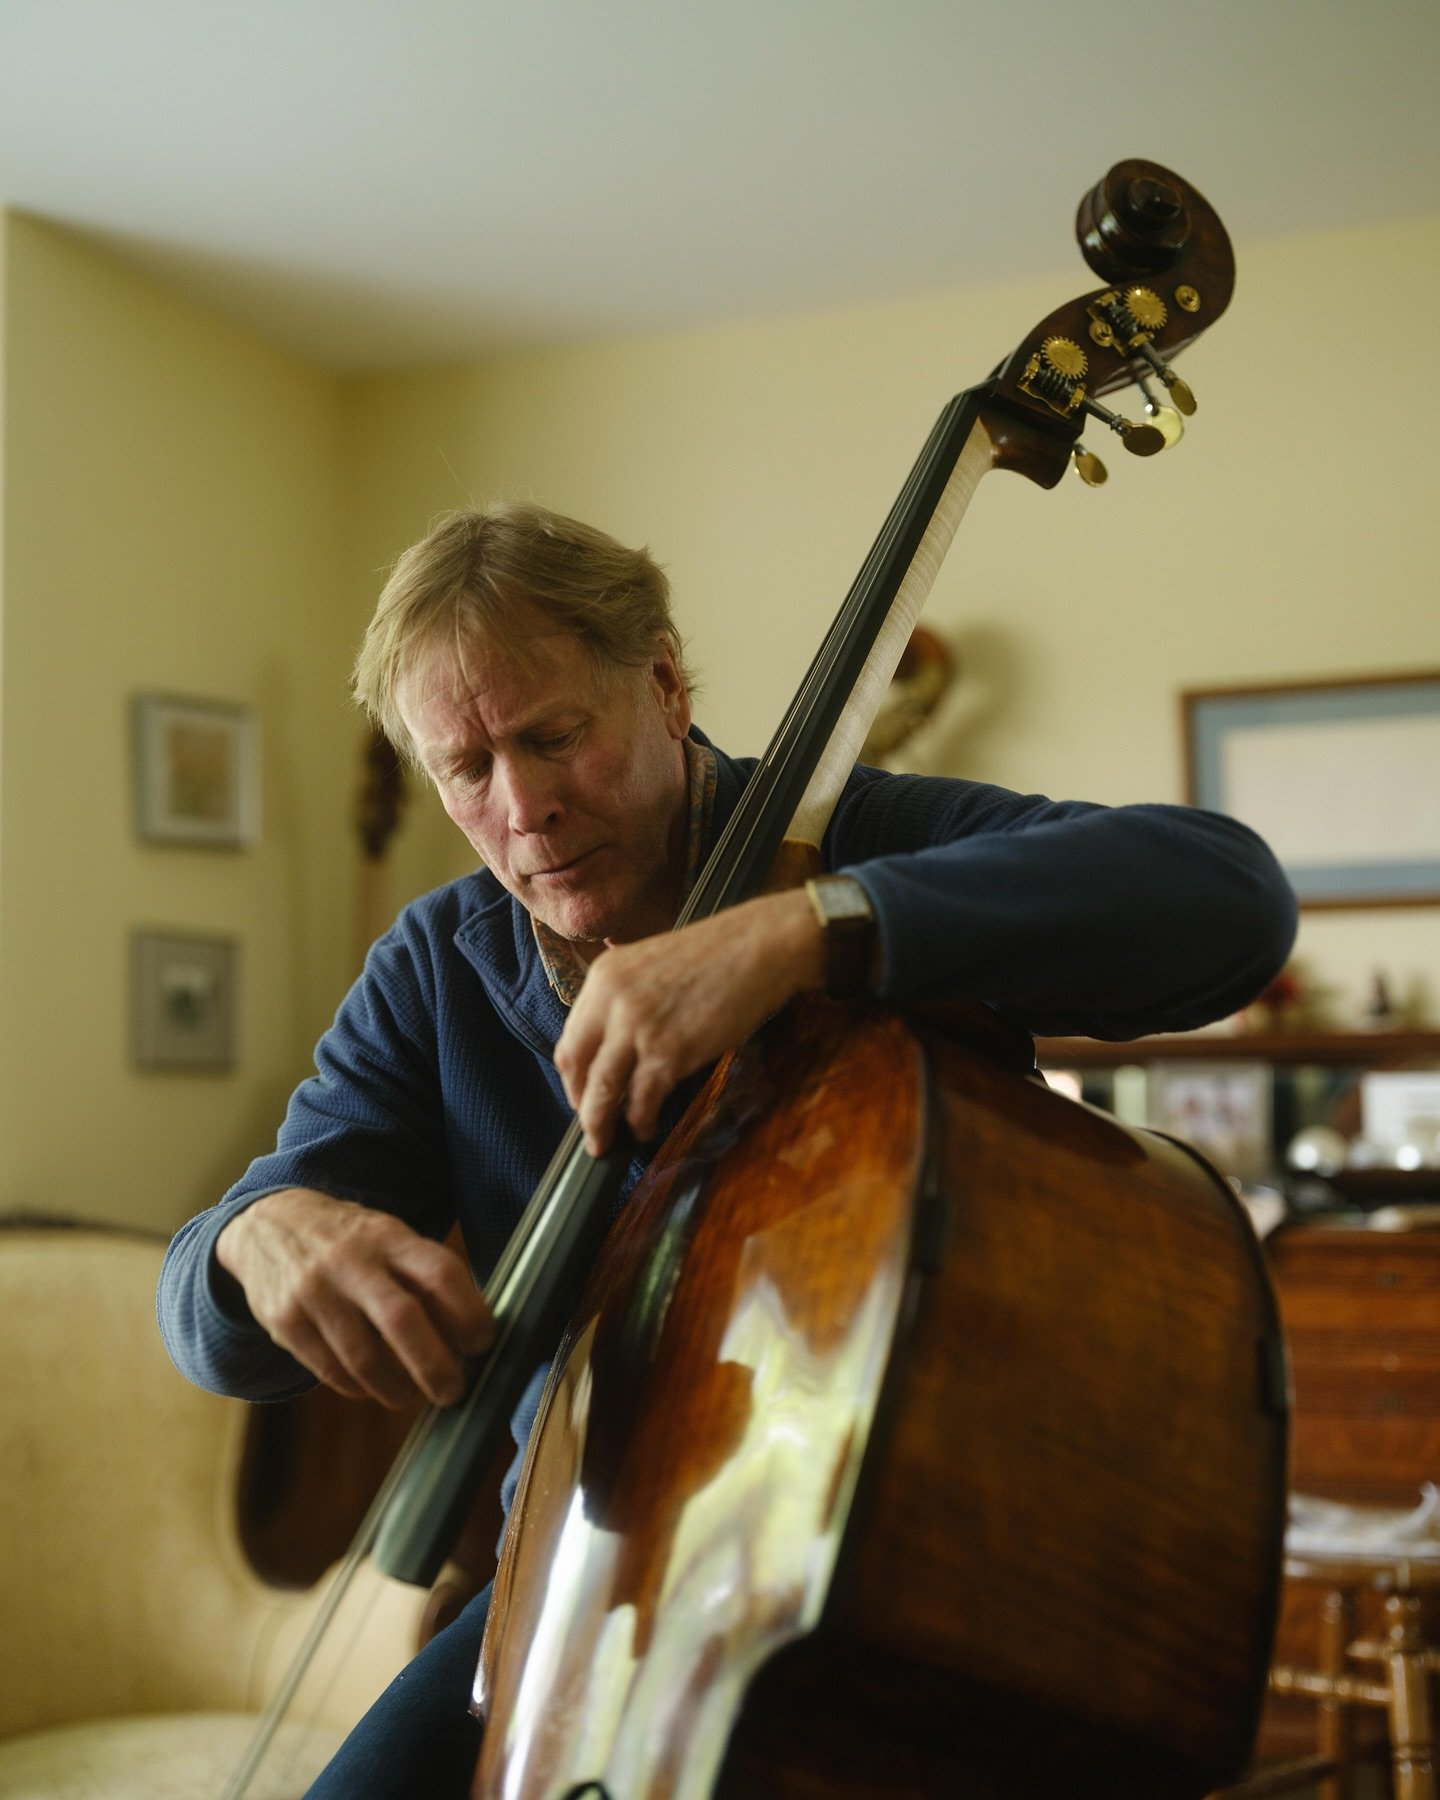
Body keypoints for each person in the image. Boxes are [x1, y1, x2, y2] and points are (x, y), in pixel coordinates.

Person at [158, 501, 1297, 1796]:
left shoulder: (849, 833)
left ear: (659, 683)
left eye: (553, 736)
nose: (521, 807)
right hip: (585, 1572)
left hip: (916, 1548)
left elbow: (1232, 901)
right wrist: (259, 1241)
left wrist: (812, 929)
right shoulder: (436, 970)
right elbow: (215, 1327)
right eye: (466, 770)